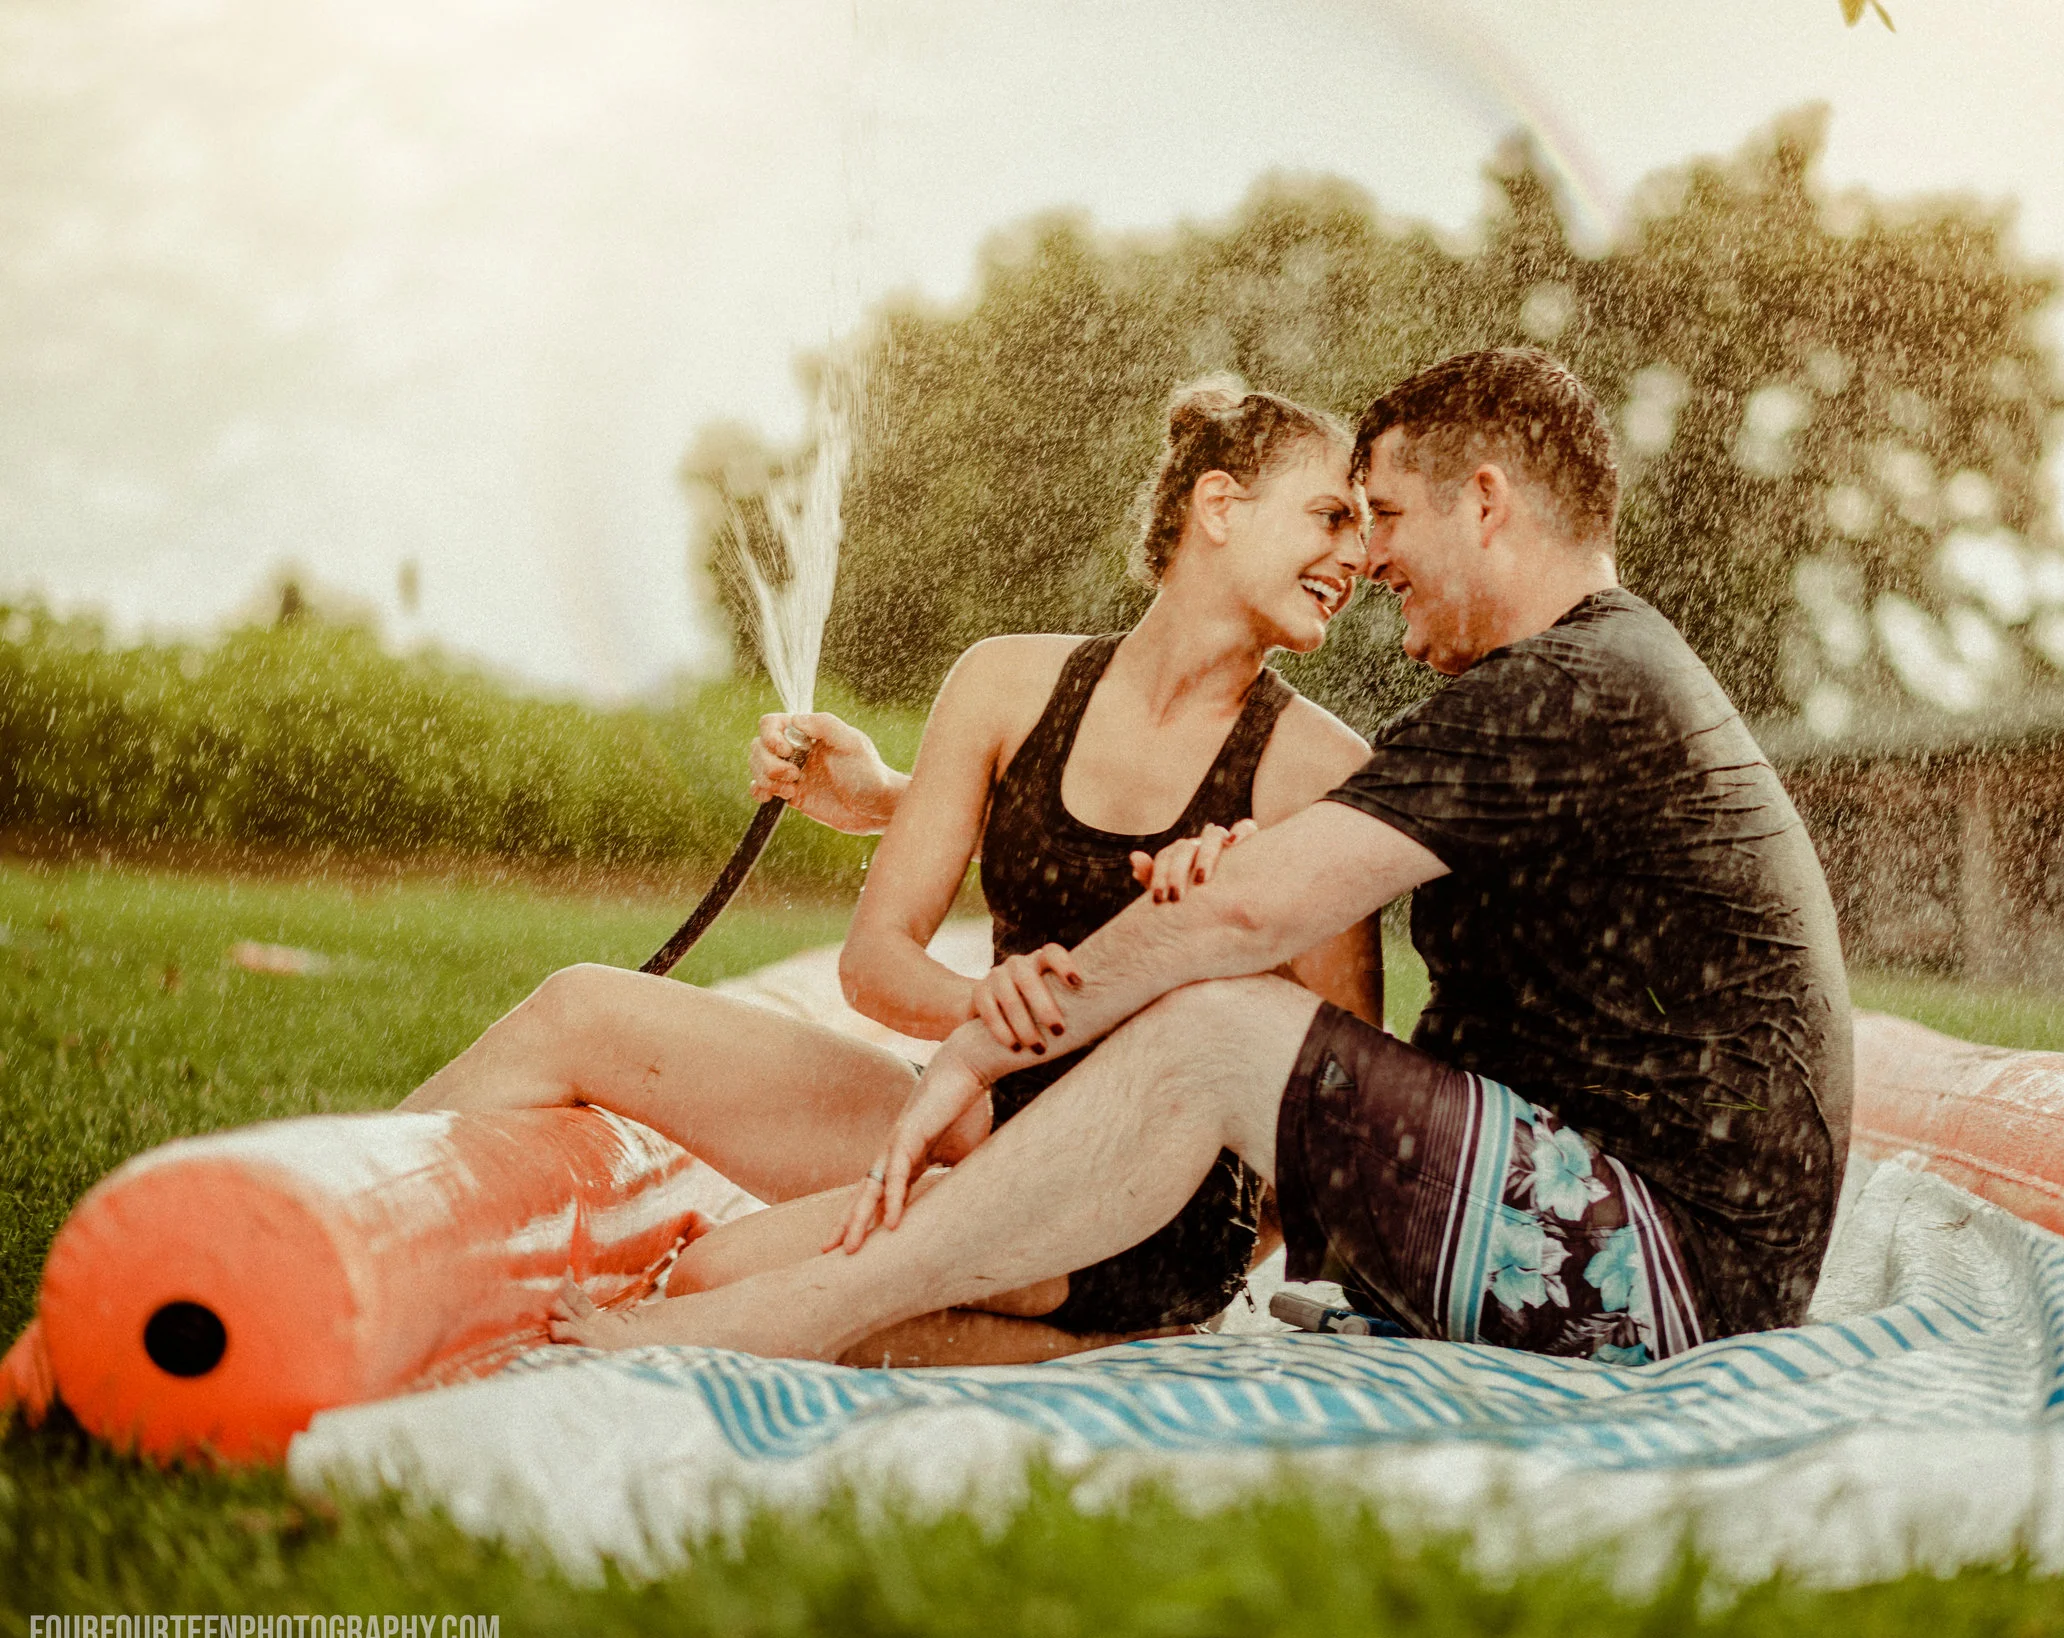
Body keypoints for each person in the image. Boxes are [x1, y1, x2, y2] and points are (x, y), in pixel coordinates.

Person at [549, 346, 1853, 1369]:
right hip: (1614, 1218)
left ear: (1489, 502)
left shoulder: (1574, 686)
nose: (1373, 557)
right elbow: (1237, 877)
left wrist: (974, 1049)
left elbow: (1248, 932)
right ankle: (866, 1303)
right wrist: (908, 799)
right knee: (1223, 1000)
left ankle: (807, 1310)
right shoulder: (1578, 682)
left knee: (1228, 1017)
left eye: (1386, 515)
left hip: (1670, 1269)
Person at [405, 380, 1381, 1365]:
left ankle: (1107, 1325)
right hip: (966, 1117)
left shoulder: (1318, 769)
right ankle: (313, 1202)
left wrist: (1244, 1257)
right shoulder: (1004, 684)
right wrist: (983, 1004)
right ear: (1219, 507)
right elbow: (875, 963)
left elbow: (1345, 1093)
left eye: (1368, 528)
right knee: (580, 1009)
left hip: (1133, 1204)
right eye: (1332, 515)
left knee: (713, 1283)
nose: (1358, 554)